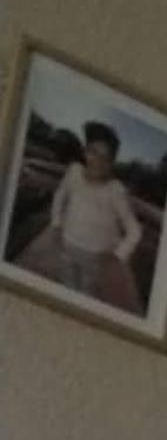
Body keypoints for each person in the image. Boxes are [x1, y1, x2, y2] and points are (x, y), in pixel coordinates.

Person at [33, 121, 142, 305]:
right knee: (66, 289)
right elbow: (60, 196)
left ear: (111, 164)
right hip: (67, 246)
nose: (98, 161)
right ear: (85, 152)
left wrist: (117, 257)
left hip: (95, 258)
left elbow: (135, 231)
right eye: (93, 152)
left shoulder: (115, 190)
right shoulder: (74, 172)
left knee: (86, 296)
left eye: (105, 157)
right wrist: (56, 224)